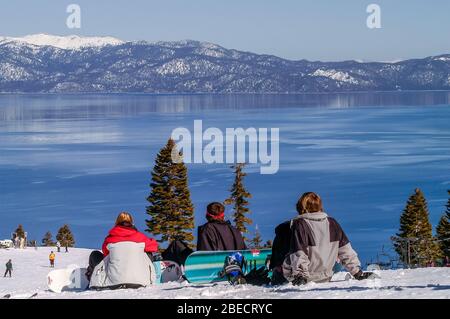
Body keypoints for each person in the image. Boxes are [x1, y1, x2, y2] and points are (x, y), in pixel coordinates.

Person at [282, 192, 374, 285]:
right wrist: (357, 272)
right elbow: (346, 251)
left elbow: (299, 252)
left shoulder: (300, 224)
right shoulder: (332, 223)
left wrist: (300, 276)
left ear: (301, 206)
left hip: (303, 278)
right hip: (326, 276)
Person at [87, 212, 159, 290]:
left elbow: (105, 254)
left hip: (113, 281)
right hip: (139, 281)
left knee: (95, 254)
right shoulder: (140, 237)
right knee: (147, 252)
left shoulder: (109, 239)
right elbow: (154, 247)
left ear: (117, 222)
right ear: (132, 222)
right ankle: (148, 274)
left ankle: (91, 278)